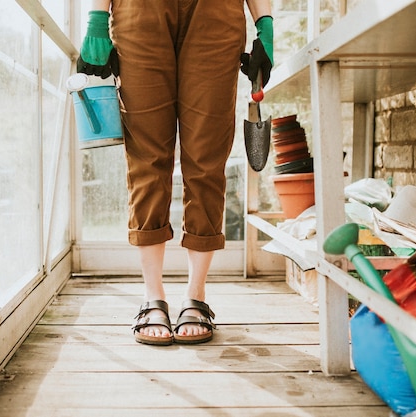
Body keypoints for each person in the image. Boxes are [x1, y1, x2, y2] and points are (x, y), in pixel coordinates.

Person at [77, 0, 274, 345]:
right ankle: (153, 296)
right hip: (141, 11)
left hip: (216, 12)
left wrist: (265, 23)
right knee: (147, 158)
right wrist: (96, 17)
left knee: (206, 156)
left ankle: (195, 296)